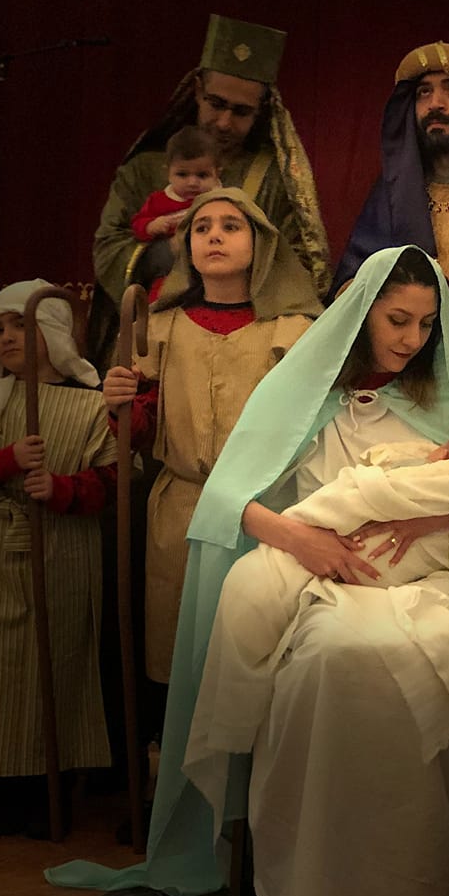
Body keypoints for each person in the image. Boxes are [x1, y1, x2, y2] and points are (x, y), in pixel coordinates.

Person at [48, 246, 449, 896]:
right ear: (361, 317)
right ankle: (306, 876)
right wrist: (302, 537)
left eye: (425, 324)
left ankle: (409, 878)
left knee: (447, 656)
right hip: (316, 577)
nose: (413, 339)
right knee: (332, 660)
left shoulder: (448, 400)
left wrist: (424, 521)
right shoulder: (303, 388)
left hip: (423, 581)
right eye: (396, 320)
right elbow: (225, 501)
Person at [101, 186, 322, 686]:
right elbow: (140, 429)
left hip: (267, 512)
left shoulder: (294, 330)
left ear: (258, 243)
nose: (214, 237)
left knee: (257, 658)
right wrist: (121, 405)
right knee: (183, 656)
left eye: (230, 226)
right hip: (184, 509)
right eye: (202, 228)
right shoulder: (159, 327)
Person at [0, 280, 115, 837]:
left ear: (55, 332)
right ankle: (4, 792)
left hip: (61, 550)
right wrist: (7, 460)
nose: (7, 338)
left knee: (56, 664)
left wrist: (62, 489)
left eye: (20, 325)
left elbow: (111, 481)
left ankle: (51, 793)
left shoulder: (90, 407)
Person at [89, 14, 333, 363]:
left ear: (261, 111)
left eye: (241, 112)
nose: (224, 122)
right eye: (216, 104)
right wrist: (168, 251)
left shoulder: (275, 180)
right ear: (198, 91)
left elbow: (299, 266)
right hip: (154, 341)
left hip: (246, 348)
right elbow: (108, 248)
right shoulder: (145, 168)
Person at [333, 41, 449, 357]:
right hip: (404, 363)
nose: (435, 103)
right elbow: (352, 289)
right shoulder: (390, 196)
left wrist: (445, 317)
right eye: (423, 92)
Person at [128, 126, 221, 260]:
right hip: (172, 266)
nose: (192, 183)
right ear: (168, 174)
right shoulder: (158, 200)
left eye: (202, 175)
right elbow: (137, 224)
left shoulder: (223, 198)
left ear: (217, 174)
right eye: (182, 175)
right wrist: (151, 226)